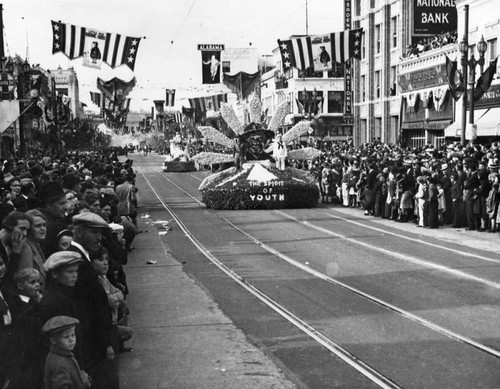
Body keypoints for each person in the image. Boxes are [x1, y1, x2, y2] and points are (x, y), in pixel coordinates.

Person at [68, 213, 116, 389]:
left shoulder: (83, 256)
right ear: (79, 232)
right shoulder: (74, 260)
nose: (99, 238)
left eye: (100, 233)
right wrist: (106, 343)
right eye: (93, 232)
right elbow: (85, 308)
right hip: (91, 344)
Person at [41, 315, 91, 389]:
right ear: (53, 340)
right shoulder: (59, 363)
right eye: (66, 337)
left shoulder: (63, 354)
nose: (71, 340)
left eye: (73, 335)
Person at [17, 209, 47, 292]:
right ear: (28, 229)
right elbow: (27, 282)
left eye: (44, 225)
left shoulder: (36, 245)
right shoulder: (26, 248)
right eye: (38, 226)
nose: (43, 229)